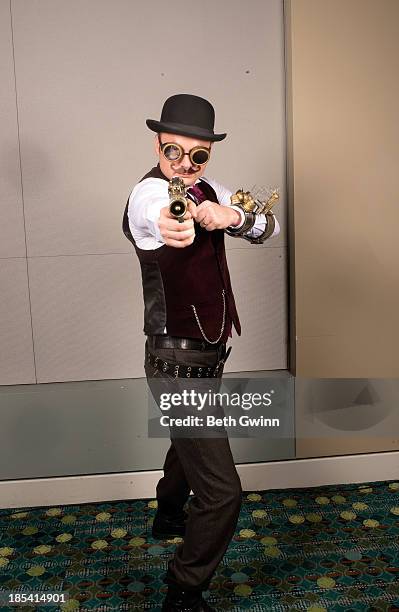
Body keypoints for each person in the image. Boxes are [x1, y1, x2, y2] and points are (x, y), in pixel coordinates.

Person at [122, 94, 280, 612]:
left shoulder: (211, 189)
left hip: (209, 355)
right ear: (157, 146)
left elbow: (267, 226)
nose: (184, 166)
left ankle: (169, 514)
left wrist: (229, 213)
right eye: (174, 152)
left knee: (187, 448)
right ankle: (184, 590)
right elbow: (156, 218)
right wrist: (181, 221)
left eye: (197, 156)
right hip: (175, 365)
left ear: (209, 153)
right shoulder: (147, 194)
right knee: (223, 492)